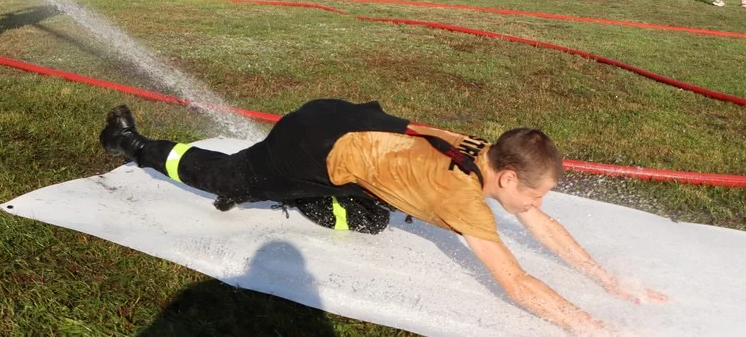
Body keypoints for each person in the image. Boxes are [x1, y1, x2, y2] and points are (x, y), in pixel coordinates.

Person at [100, 99, 666, 334]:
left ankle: (296, 196)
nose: (538, 208)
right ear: (510, 177)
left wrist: (608, 281)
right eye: (535, 195)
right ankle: (129, 141)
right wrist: (593, 328)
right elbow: (516, 282)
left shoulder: (481, 148)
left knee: (371, 221)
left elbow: (538, 225)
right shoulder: (459, 199)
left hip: (345, 122)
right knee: (227, 179)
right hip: (310, 144)